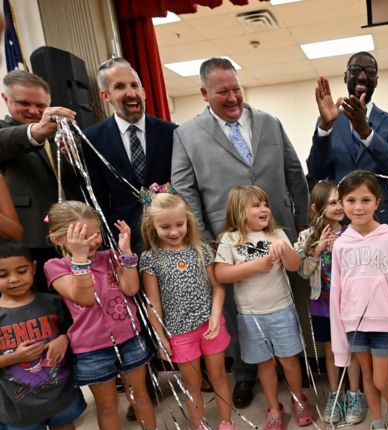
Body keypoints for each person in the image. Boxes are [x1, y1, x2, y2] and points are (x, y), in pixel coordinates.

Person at [172, 57, 309, 410]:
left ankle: (293, 364)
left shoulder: (269, 122)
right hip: (226, 239)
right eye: (223, 92)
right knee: (239, 311)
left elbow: (294, 172)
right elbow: (185, 192)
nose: (233, 98)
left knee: (289, 296)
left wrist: (303, 220)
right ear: (204, 93)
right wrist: (205, 241)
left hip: (279, 231)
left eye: (236, 89)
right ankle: (247, 373)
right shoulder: (187, 134)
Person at [44, 201, 179, 430]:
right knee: (106, 405)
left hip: (130, 338)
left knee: (140, 394)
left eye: (94, 234)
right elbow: (82, 297)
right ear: (58, 239)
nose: (91, 242)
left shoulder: (110, 257)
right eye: (80, 236)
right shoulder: (55, 266)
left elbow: (131, 288)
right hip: (92, 350)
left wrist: (126, 252)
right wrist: (80, 260)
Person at [0, 239, 97, 430]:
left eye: (21, 270)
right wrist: (12, 358)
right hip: (21, 404)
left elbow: (78, 328)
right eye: (3, 274)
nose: (14, 279)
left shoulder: (54, 302)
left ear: (33, 268)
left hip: (59, 392)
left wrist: (65, 338)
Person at [139, 192, 237, 430]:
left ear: (188, 221)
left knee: (218, 376)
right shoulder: (151, 259)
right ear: (152, 227)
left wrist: (216, 316)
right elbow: (153, 302)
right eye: (165, 226)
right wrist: (160, 339)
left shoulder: (202, 249)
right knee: (192, 383)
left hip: (210, 326)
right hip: (178, 332)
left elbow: (218, 287)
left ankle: (227, 423)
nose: (174, 231)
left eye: (179, 224)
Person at [214, 186, 313, 430]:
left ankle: (298, 399)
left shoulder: (277, 234)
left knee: (289, 360)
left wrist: (284, 246)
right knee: (264, 364)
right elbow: (221, 273)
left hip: (281, 311)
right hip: (250, 317)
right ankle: (273, 408)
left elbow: (294, 266)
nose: (264, 209)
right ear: (239, 211)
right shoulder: (230, 239)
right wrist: (253, 266)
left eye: (265, 204)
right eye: (256, 205)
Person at [330, 171, 388, 430]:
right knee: (366, 375)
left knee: (381, 378)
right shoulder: (341, 244)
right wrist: (340, 329)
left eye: (365, 200)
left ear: (377, 202)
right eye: (351, 200)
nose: (358, 207)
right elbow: (337, 291)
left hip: (385, 322)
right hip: (354, 323)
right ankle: (377, 426)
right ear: (341, 203)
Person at [82, 57, 178, 253]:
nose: (131, 93)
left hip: (173, 235)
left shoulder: (173, 133)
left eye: (135, 85)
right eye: (119, 87)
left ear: (143, 92)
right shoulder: (91, 139)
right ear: (105, 95)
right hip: (125, 240)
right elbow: (97, 198)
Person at [308, 52, 388, 236]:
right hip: (340, 219)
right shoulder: (328, 121)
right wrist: (325, 127)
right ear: (346, 77)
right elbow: (317, 172)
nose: (362, 76)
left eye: (369, 71)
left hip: (383, 217)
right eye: (355, 70)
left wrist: (366, 133)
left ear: (376, 80)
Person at [0, 71, 81, 293]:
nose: (34, 111)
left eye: (41, 105)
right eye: (24, 103)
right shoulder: (9, 132)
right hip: (32, 241)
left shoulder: (58, 131)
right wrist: (36, 131)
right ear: (5, 99)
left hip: (73, 237)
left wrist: (72, 156)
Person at [295, 181, 365, 425]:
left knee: (352, 350)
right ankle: (335, 396)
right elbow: (302, 273)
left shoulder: (353, 232)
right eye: (332, 202)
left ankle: (355, 394)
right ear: (317, 207)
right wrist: (317, 250)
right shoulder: (306, 236)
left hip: (349, 304)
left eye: (340, 201)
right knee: (331, 350)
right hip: (322, 304)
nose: (338, 207)